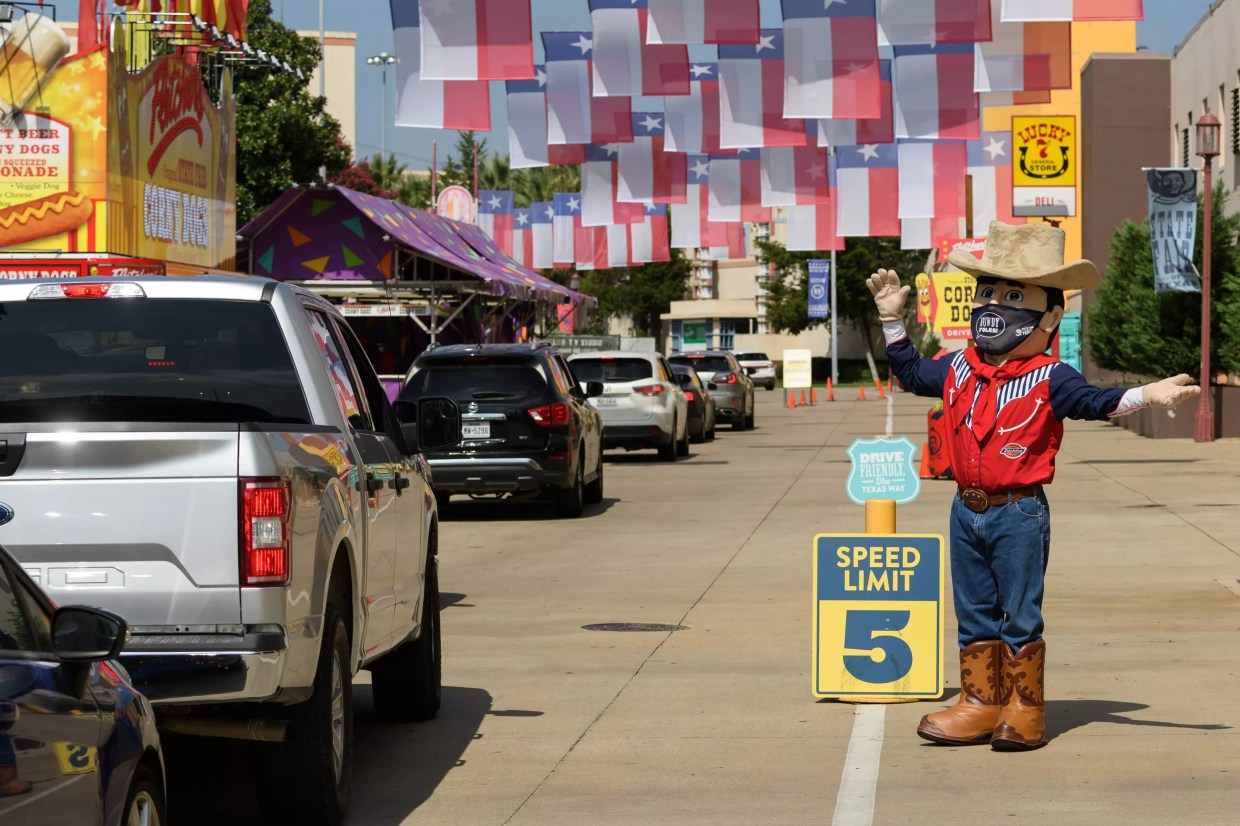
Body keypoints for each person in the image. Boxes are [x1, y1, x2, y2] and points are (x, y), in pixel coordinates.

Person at [867, 221, 1200, 751]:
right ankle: (980, 702)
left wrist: (1146, 395)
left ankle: (1024, 707)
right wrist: (891, 319)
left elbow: (1094, 401)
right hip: (965, 508)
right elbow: (910, 374)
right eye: (988, 293)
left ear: (1049, 315)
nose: (994, 306)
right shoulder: (958, 368)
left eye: (1012, 295)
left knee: (1019, 613)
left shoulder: (1050, 376)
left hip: (1018, 512)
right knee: (973, 609)